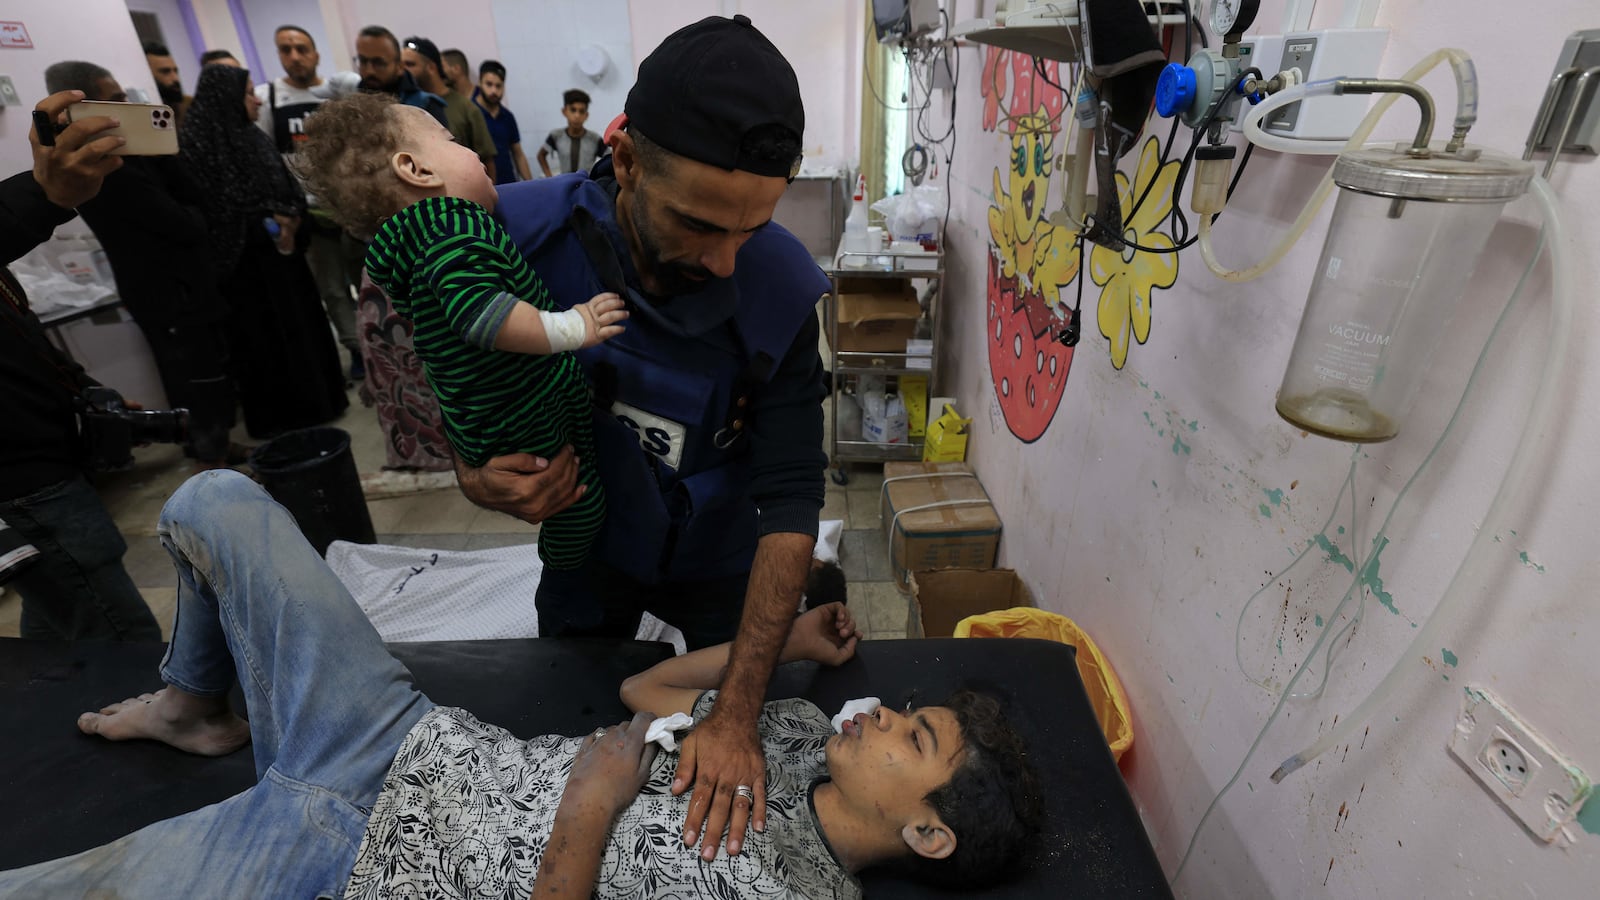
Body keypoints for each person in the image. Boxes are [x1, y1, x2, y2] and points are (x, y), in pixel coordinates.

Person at [0, 470, 1042, 897]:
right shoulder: (800, 734)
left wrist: (587, 815)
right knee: (211, 498)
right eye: (910, 712)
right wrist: (778, 660)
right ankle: (192, 706)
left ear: (927, 832)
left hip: (352, 868)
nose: (886, 717)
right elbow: (644, 698)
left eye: (914, 741)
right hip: (398, 738)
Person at [461, 14, 827, 861]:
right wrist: (475, 476)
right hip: (591, 540)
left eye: (753, 226)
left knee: (748, 739)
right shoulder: (515, 241)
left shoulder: (774, 291)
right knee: (566, 724)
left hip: (721, 550)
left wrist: (734, 714)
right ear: (624, 158)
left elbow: (794, 493)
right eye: (700, 225)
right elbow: (456, 378)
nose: (729, 260)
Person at [298, 93, 626, 568]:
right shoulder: (449, 231)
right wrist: (573, 326)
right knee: (579, 501)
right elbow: (483, 315)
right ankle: (570, 569)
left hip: (492, 415)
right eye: (452, 141)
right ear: (417, 170)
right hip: (515, 410)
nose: (474, 151)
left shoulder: (414, 246)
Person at [0, 90, 161, 641]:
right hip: (25, 475)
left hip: (41, 454)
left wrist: (82, 393)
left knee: (59, 611)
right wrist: (46, 193)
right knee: (118, 636)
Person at [42, 62, 242, 471]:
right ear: (83, 109)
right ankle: (212, 463)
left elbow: (192, 198)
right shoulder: (104, 169)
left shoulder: (131, 154)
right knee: (194, 379)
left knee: (207, 373)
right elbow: (183, 223)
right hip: (166, 292)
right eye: (114, 101)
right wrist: (197, 216)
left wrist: (161, 149)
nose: (125, 109)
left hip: (183, 286)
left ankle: (216, 445)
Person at [179, 64, 348, 439]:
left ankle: (321, 405)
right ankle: (281, 421)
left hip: (283, 263)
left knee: (302, 332)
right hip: (246, 272)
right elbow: (214, 212)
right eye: (248, 93)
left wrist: (289, 217)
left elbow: (286, 189)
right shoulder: (198, 147)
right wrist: (261, 221)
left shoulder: (252, 137)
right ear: (226, 99)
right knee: (263, 345)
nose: (256, 100)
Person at [252, 24, 365, 379]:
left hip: (348, 206)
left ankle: (383, 341)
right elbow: (268, 156)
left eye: (301, 48)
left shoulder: (334, 92)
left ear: (316, 54)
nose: (294, 56)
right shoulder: (270, 98)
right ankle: (357, 348)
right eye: (285, 49)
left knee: (368, 279)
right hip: (308, 210)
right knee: (332, 289)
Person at [401, 38, 496, 181]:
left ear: (431, 68)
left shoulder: (466, 108)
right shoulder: (406, 107)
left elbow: (487, 161)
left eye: (410, 65)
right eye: (401, 65)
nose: (403, 71)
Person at [354, 25, 447, 124]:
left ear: (399, 67)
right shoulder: (352, 107)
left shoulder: (425, 107)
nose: (369, 71)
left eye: (379, 63)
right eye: (363, 61)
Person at [473, 59, 531, 183]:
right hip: (481, 186)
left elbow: (518, 154)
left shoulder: (507, 116)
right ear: (480, 82)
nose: (494, 91)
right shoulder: (470, 113)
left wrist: (532, 185)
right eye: (489, 84)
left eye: (498, 86)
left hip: (509, 184)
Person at [537, 88, 601, 177]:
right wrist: (549, 177)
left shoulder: (595, 139)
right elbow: (541, 155)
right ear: (564, 111)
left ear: (586, 115)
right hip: (565, 185)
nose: (577, 116)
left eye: (581, 111)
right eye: (573, 110)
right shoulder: (556, 136)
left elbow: (610, 159)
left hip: (586, 185)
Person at [142, 41, 188, 124]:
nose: (175, 79)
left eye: (175, 71)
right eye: (165, 72)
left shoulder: (190, 107)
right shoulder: (142, 113)